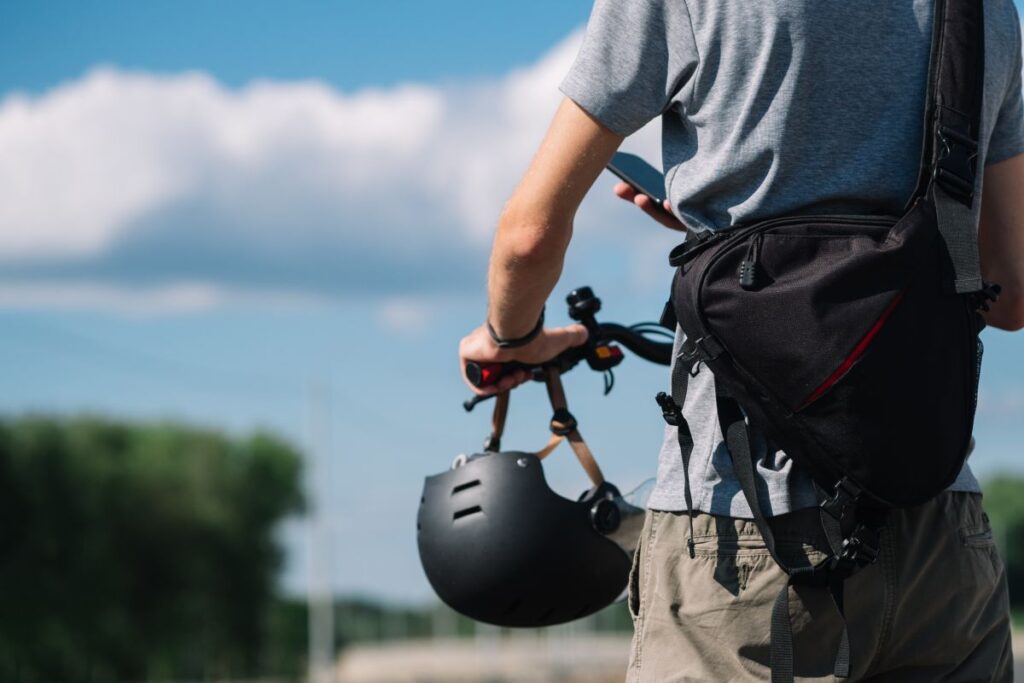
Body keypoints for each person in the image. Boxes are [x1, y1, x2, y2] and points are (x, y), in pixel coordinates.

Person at [459, 0, 1024, 680]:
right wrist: (731, 244)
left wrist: (508, 335)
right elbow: (1010, 290)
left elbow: (528, 237)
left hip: (741, 534)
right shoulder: (988, 9)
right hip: (941, 539)